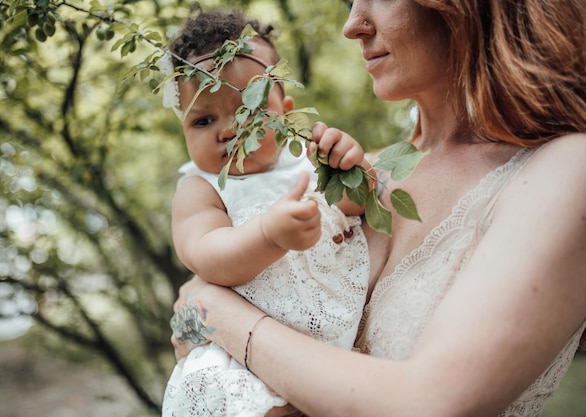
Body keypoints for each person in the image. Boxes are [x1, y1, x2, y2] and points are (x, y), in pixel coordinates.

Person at [170, 1, 586, 416]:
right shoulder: (355, 174)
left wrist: (213, 312)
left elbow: (431, 403)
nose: (352, 25)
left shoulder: (566, 170)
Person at [162, 9, 375, 417]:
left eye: (250, 110)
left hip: (324, 343)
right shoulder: (201, 188)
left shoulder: (306, 163)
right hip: (236, 359)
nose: (227, 129)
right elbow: (207, 255)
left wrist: (350, 167)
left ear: (285, 110)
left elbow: (356, 206)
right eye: (204, 119)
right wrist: (268, 236)